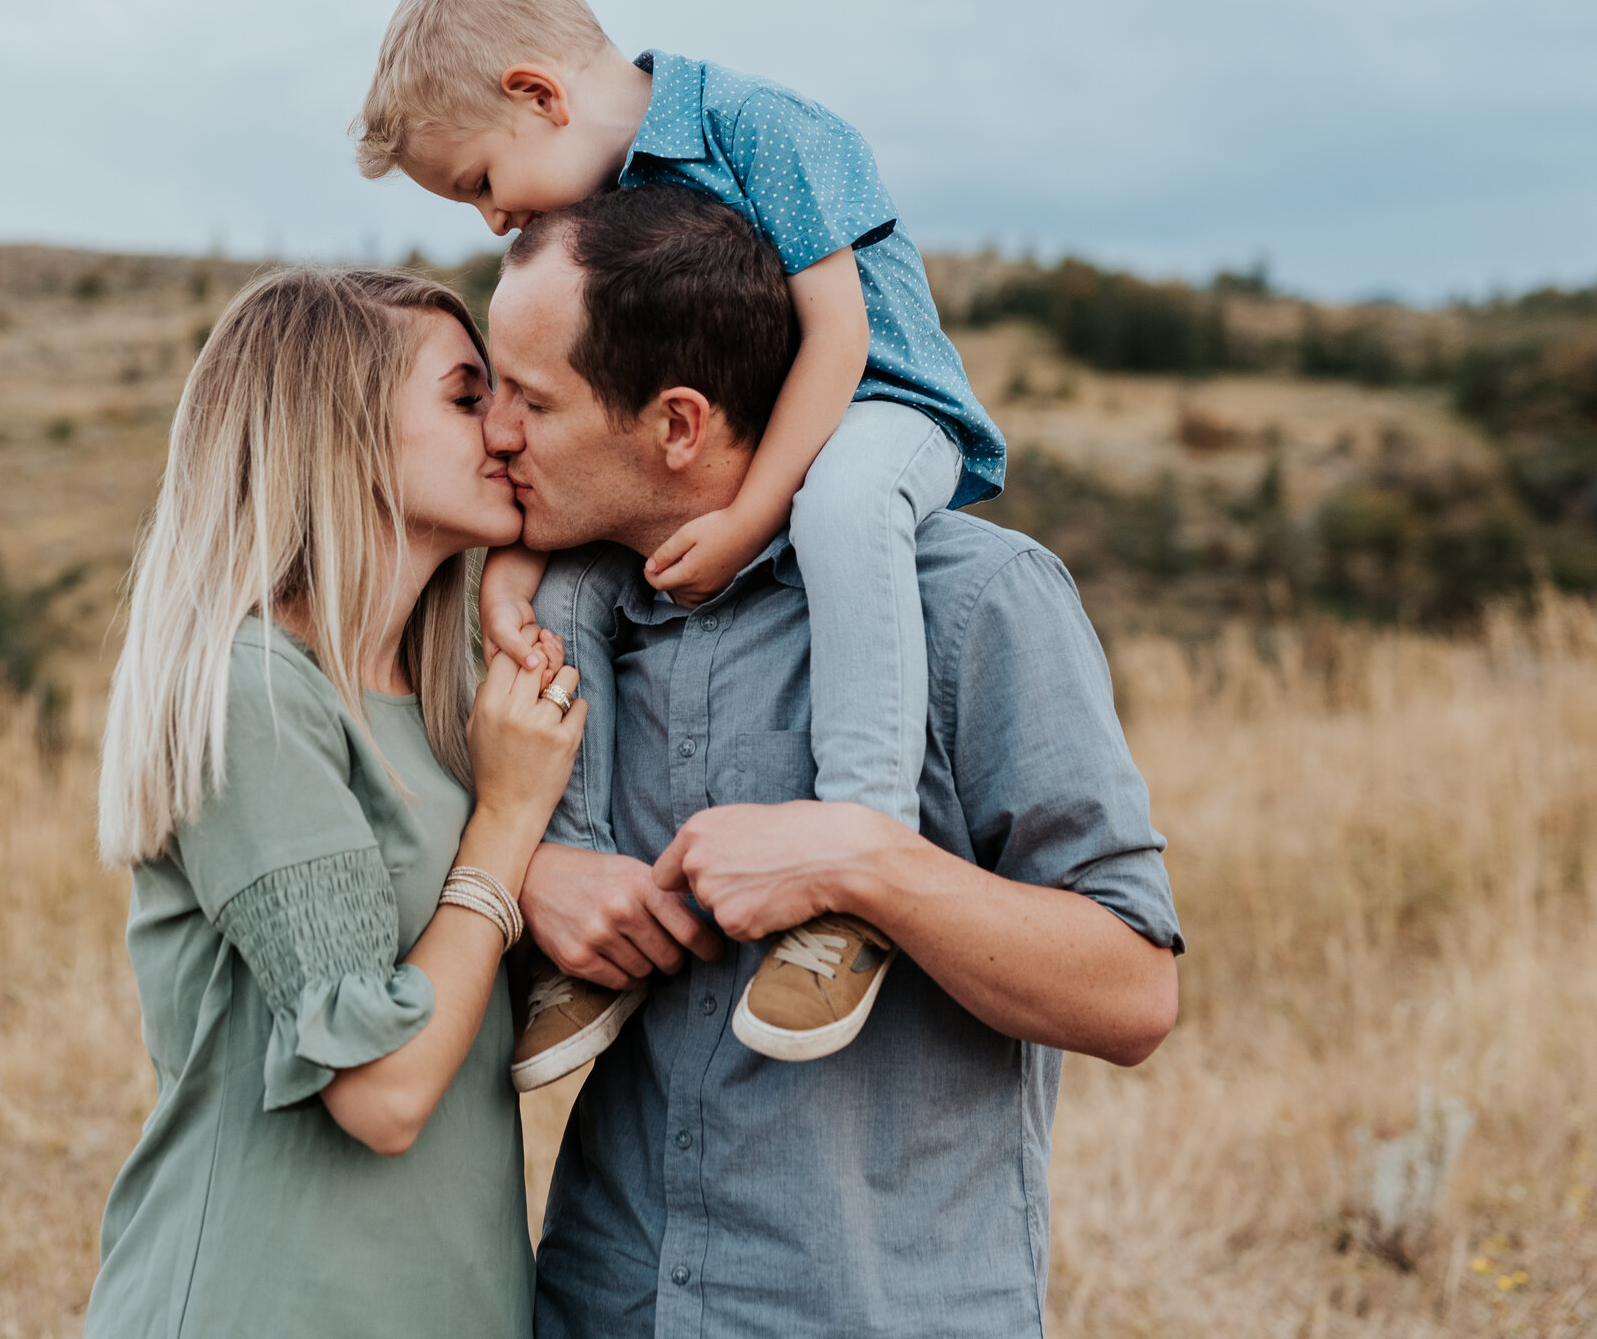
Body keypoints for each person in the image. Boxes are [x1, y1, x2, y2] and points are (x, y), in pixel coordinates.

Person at [485, 184, 1183, 1337]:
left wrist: (865, 863)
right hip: (604, 1305)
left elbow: (1133, 991)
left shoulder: (972, 603)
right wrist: (529, 870)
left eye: (532, 399)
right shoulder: (542, 624)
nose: (496, 432)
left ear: (676, 425)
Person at [354, 0, 1011, 1077]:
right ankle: (582, 911)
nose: (494, 213)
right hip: (736, 446)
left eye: (476, 180)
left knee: (846, 509)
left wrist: (759, 514)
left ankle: (857, 862)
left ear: (538, 95)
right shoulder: (594, 205)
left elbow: (840, 341)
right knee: (570, 590)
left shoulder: (767, 129)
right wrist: (517, 559)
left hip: (882, 408)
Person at [83, 267, 586, 1339]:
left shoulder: (447, 700)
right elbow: (383, 1093)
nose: (505, 426)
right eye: (464, 395)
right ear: (343, 429)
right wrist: (507, 823)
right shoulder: (257, 688)